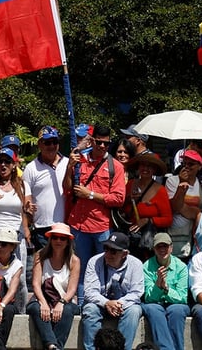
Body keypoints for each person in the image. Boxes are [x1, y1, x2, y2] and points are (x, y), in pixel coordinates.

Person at [63, 125, 126, 304]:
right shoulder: (80, 160)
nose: (102, 146)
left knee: (107, 268)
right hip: (79, 224)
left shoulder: (116, 167)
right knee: (80, 269)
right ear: (92, 141)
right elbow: (67, 188)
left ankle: (105, 304)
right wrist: (69, 167)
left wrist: (89, 194)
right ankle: (83, 306)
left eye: (106, 143)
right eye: (99, 142)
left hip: (102, 226)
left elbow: (118, 198)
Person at [81, 232, 143, 350]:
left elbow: (136, 293)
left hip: (123, 305)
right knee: (90, 309)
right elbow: (89, 291)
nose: (108, 254)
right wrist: (106, 303)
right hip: (100, 303)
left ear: (124, 254)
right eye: (106, 248)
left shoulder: (136, 264)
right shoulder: (94, 262)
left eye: (113, 251)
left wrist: (118, 304)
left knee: (134, 311)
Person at [27, 222, 80, 350]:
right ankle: (52, 345)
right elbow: (35, 284)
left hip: (65, 300)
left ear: (68, 241)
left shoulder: (74, 260)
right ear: (50, 239)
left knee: (67, 311)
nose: (58, 241)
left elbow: (72, 289)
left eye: (62, 238)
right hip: (42, 298)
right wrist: (43, 303)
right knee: (35, 308)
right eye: (55, 237)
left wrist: (61, 303)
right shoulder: (40, 256)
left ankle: (54, 346)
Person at [141, 233, 189, 350]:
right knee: (153, 309)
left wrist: (166, 288)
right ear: (154, 249)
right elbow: (148, 298)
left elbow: (182, 298)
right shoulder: (146, 267)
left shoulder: (181, 267)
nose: (162, 250)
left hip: (175, 304)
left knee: (177, 310)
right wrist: (158, 284)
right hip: (155, 303)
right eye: (159, 247)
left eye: (165, 246)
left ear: (171, 248)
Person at [122, 153, 171, 259]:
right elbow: (121, 208)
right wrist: (130, 199)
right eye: (143, 165)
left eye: (150, 166)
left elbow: (168, 219)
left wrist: (148, 220)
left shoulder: (160, 190)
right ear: (138, 167)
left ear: (154, 170)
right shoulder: (130, 184)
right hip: (130, 238)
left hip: (149, 241)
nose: (145, 168)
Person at [166, 150, 202, 260]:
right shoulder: (172, 181)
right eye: (184, 163)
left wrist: (190, 211)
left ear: (200, 166)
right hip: (175, 234)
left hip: (194, 236)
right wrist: (181, 185)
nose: (187, 167)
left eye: (191, 164)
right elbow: (175, 207)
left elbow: (201, 213)